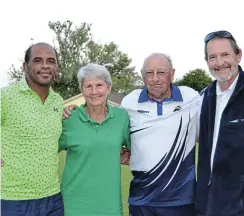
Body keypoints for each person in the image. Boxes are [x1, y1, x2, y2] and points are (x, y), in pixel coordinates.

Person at [120, 53, 199, 216]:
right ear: (143, 76)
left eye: (161, 72)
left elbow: (209, 130)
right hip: (141, 200)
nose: (155, 79)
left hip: (181, 200)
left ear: (172, 73)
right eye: (149, 73)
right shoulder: (129, 102)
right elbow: (113, 130)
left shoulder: (191, 98)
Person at [59, 63, 131, 216]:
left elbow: (138, 149)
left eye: (99, 85)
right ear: (82, 90)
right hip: (74, 205)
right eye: (88, 86)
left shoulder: (122, 118)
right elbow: (43, 148)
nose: (94, 92)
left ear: (108, 88)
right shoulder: (69, 119)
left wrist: (128, 154)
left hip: (109, 205)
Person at [1, 43, 64, 215]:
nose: (45, 65)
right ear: (25, 67)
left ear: (56, 67)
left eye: (51, 61)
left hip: (53, 197)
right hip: (13, 199)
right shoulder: (5, 96)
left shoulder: (58, 101)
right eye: (38, 60)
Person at [195, 31, 244, 216]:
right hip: (208, 205)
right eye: (212, 57)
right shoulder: (203, 98)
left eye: (225, 55)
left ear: (238, 55)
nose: (219, 62)